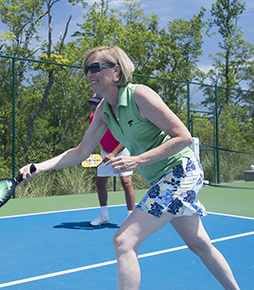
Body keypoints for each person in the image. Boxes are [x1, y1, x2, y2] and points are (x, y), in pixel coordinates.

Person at [19, 46, 240, 290]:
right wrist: (39, 167)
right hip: (162, 179)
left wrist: (137, 160)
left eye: (94, 68)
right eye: (86, 70)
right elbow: (80, 152)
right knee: (200, 245)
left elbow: (184, 137)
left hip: (181, 171)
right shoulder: (103, 110)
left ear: (116, 70)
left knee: (124, 241)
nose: (89, 74)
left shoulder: (139, 96)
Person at [87, 92, 135, 226]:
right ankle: (104, 216)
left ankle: (130, 217)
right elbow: (94, 135)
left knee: (126, 182)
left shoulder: (117, 116)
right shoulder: (93, 117)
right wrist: (88, 152)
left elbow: (127, 138)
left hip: (122, 151)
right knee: (100, 183)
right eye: (91, 103)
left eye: (96, 103)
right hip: (105, 153)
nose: (93, 105)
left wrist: (113, 154)